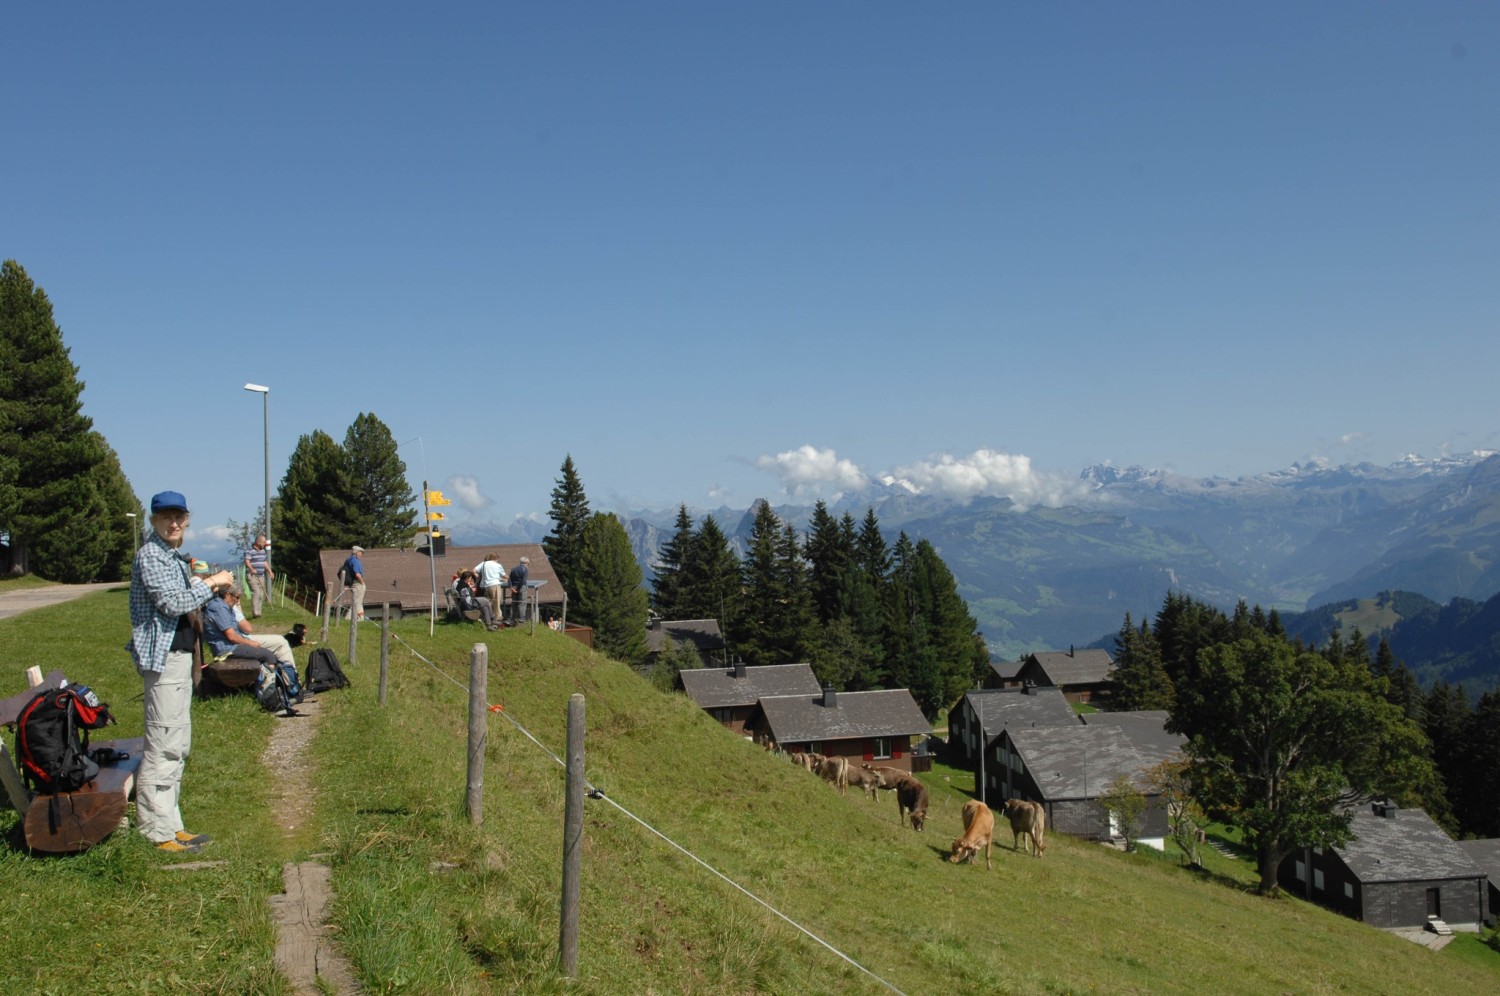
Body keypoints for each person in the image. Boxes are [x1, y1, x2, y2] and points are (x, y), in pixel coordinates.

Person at [127, 491, 235, 854]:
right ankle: (155, 832)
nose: (173, 524)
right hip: (163, 660)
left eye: (179, 517)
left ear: (186, 520)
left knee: (178, 744)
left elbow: (183, 595)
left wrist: (202, 585)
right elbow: (172, 603)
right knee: (162, 744)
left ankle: (172, 825)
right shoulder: (152, 556)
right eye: (165, 518)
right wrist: (212, 583)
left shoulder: (171, 556)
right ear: (153, 521)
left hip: (178, 658)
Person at [202, 585, 298, 671]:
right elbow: (231, 636)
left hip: (234, 644)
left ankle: (290, 679)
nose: (237, 601)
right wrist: (249, 643)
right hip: (228, 650)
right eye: (236, 597)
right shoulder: (219, 608)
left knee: (281, 642)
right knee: (268, 655)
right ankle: (269, 686)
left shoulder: (223, 605)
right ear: (227, 594)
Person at [242, 534, 273, 618]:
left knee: (261, 594)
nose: (264, 544)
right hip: (252, 575)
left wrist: (269, 571)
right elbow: (247, 561)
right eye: (263, 542)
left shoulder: (263, 551)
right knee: (257, 592)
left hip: (261, 576)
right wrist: (252, 569)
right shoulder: (249, 550)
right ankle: (255, 612)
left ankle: (259, 612)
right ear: (258, 542)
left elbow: (264, 562)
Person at [342, 545, 366, 621]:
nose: (361, 554)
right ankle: (348, 619)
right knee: (356, 603)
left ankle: (361, 619)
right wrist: (362, 583)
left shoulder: (348, 560)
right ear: (357, 553)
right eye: (361, 552)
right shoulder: (356, 561)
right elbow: (357, 574)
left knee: (359, 602)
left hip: (351, 583)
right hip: (357, 583)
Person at [507, 556, 530, 625]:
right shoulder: (525, 569)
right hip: (521, 588)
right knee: (522, 603)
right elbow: (523, 580)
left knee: (514, 603)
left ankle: (512, 619)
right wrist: (518, 587)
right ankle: (521, 620)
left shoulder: (514, 569)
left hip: (513, 588)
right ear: (527, 562)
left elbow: (509, 579)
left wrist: (511, 587)